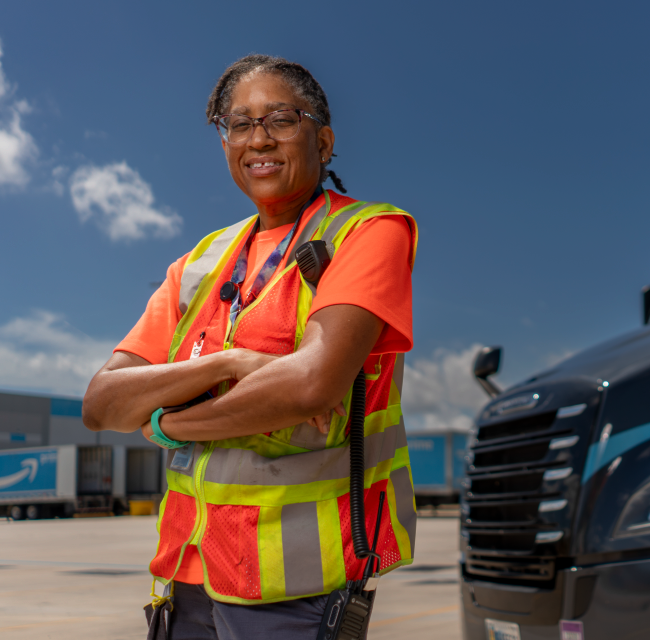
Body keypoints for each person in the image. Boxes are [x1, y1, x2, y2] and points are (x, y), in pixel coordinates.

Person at [82, 54, 418, 640]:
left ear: (324, 140)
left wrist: (167, 425)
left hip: (295, 589)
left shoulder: (367, 233)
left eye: (281, 119)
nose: (258, 139)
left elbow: (310, 386)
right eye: (239, 124)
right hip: (185, 576)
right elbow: (102, 404)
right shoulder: (199, 263)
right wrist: (230, 362)